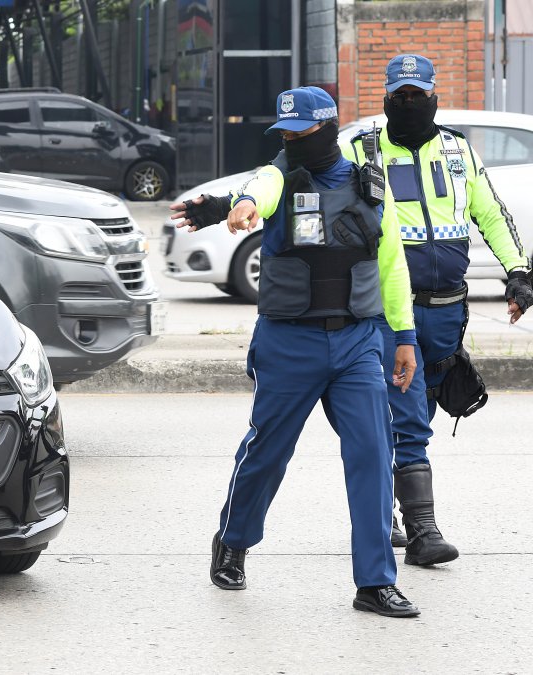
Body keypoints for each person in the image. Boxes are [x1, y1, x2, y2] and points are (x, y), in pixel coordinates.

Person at [170, 86, 421, 618]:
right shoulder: (280, 174)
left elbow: (392, 264)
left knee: (373, 455)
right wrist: (234, 207)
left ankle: (374, 582)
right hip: (289, 342)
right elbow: (257, 189)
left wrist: (404, 337)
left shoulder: (369, 183)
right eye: (283, 132)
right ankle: (233, 541)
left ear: (328, 128)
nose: (289, 140)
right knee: (268, 452)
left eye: (299, 132)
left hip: (357, 340)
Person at [343, 54, 532, 566]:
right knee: (407, 415)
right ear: (386, 98)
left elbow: (490, 211)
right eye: (400, 95)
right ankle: (423, 530)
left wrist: (518, 270)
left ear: (433, 95)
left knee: (419, 408)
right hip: (389, 312)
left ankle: (387, 510)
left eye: (417, 94)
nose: (409, 103)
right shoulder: (359, 149)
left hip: (449, 309)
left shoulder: (457, 149)